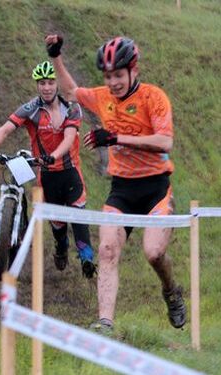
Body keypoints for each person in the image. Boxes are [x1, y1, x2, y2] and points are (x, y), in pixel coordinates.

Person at [44, 34, 186, 332]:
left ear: (134, 70)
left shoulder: (153, 97)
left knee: (154, 253)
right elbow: (70, 90)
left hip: (156, 190)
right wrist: (56, 55)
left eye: (118, 75)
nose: (113, 83)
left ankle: (171, 291)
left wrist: (116, 138)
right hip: (121, 190)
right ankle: (105, 323)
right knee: (107, 250)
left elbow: (165, 141)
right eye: (108, 77)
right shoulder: (103, 97)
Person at [0, 61, 97, 279]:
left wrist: (53, 156)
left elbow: (70, 137)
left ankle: (87, 259)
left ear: (57, 84)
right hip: (48, 177)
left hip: (71, 173)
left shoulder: (71, 108)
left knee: (78, 214)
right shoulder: (31, 109)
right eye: (42, 83)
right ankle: (61, 248)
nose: (46, 87)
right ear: (37, 85)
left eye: (51, 82)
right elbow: (7, 128)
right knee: (58, 224)